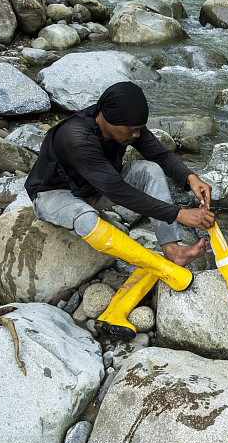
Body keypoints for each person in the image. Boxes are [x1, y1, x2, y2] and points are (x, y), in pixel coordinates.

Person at [24, 81, 216, 289]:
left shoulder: (127, 125)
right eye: (132, 130)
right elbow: (116, 191)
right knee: (85, 218)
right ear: (107, 119)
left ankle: (172, 250)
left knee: (150, 170)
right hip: (55, 194)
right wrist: (178, 214)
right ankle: (159, 265)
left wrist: (190, 178)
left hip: (95, 186)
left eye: (139, 129)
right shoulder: (76, 136)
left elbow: (160, 155)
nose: (136, 135)